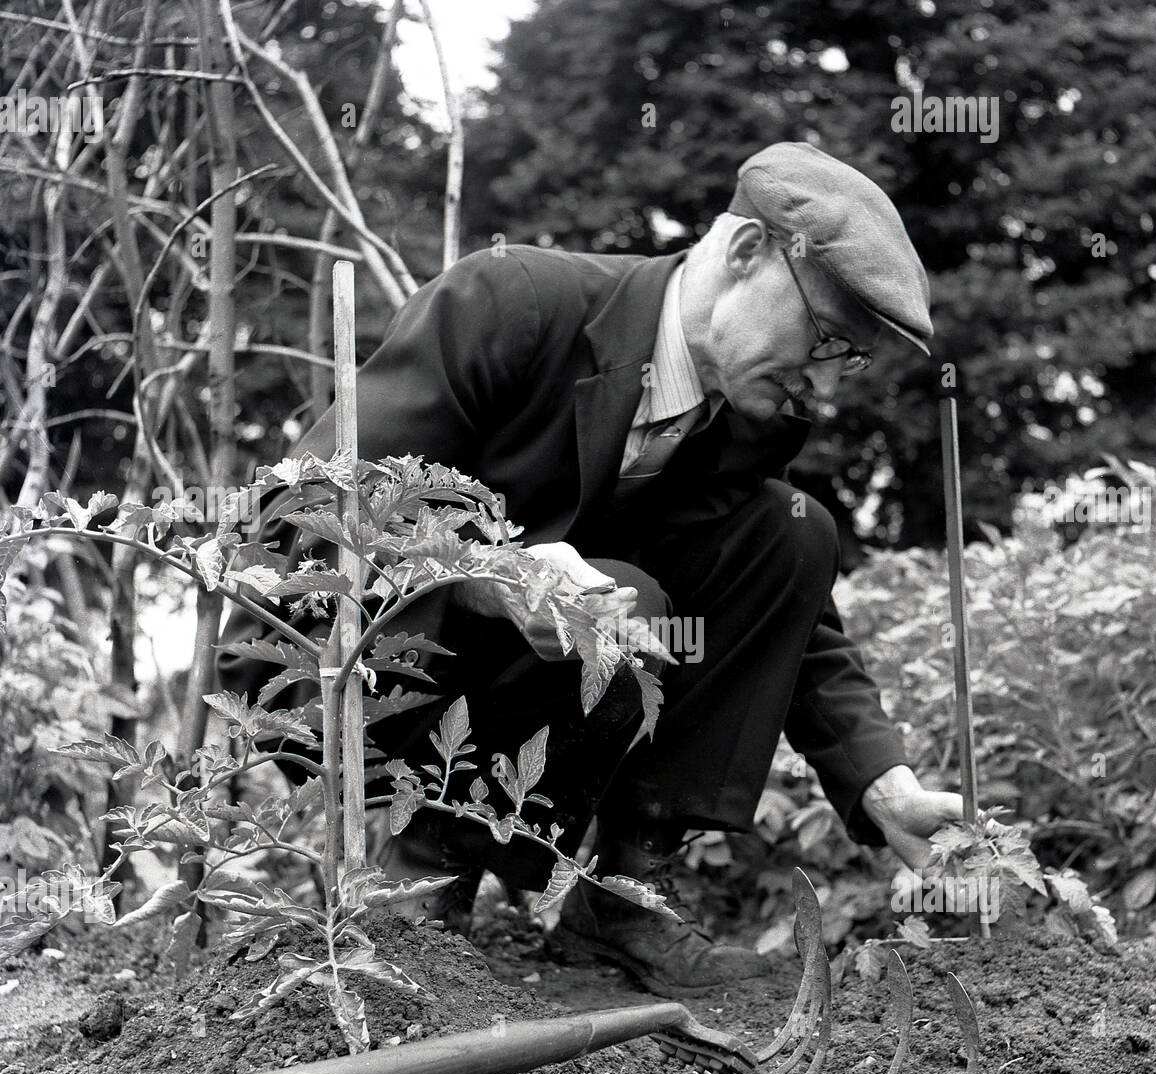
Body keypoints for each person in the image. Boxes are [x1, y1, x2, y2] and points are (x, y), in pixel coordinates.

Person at [218, 141, 968, 998]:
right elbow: (312, 510)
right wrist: (491, 576)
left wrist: (884, 784)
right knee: (625, 601)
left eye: (851, 361)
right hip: (350, 677)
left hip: (521, 680)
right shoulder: (514, 302)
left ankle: (622, 893)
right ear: (749, 253)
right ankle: (422, 869)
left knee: (791, 536)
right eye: (826, 338)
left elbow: (789, 613)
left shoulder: (748, 418)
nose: (825, 386)